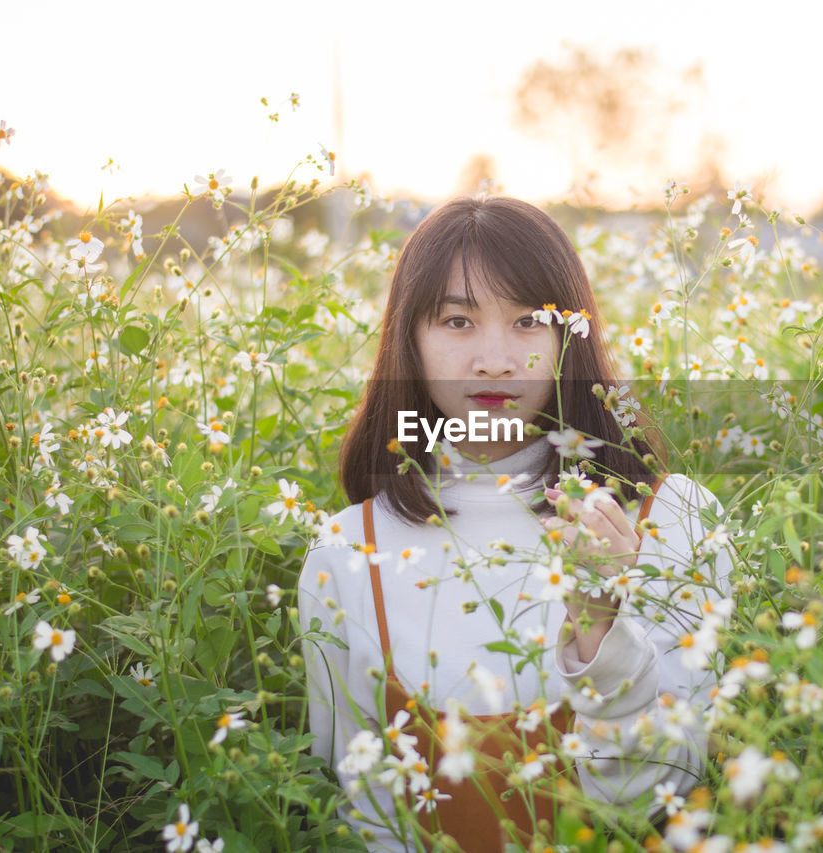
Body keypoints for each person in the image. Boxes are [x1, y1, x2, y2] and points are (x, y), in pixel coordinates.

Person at [297, 196, 733, 852]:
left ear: (569, 336)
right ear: (408, 339)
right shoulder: (347, 549)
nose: (495, 359)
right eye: (457, 320)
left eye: (528, 320)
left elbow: (659, 791)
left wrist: (598, 623)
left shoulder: (668, 518)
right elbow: (356, 809)